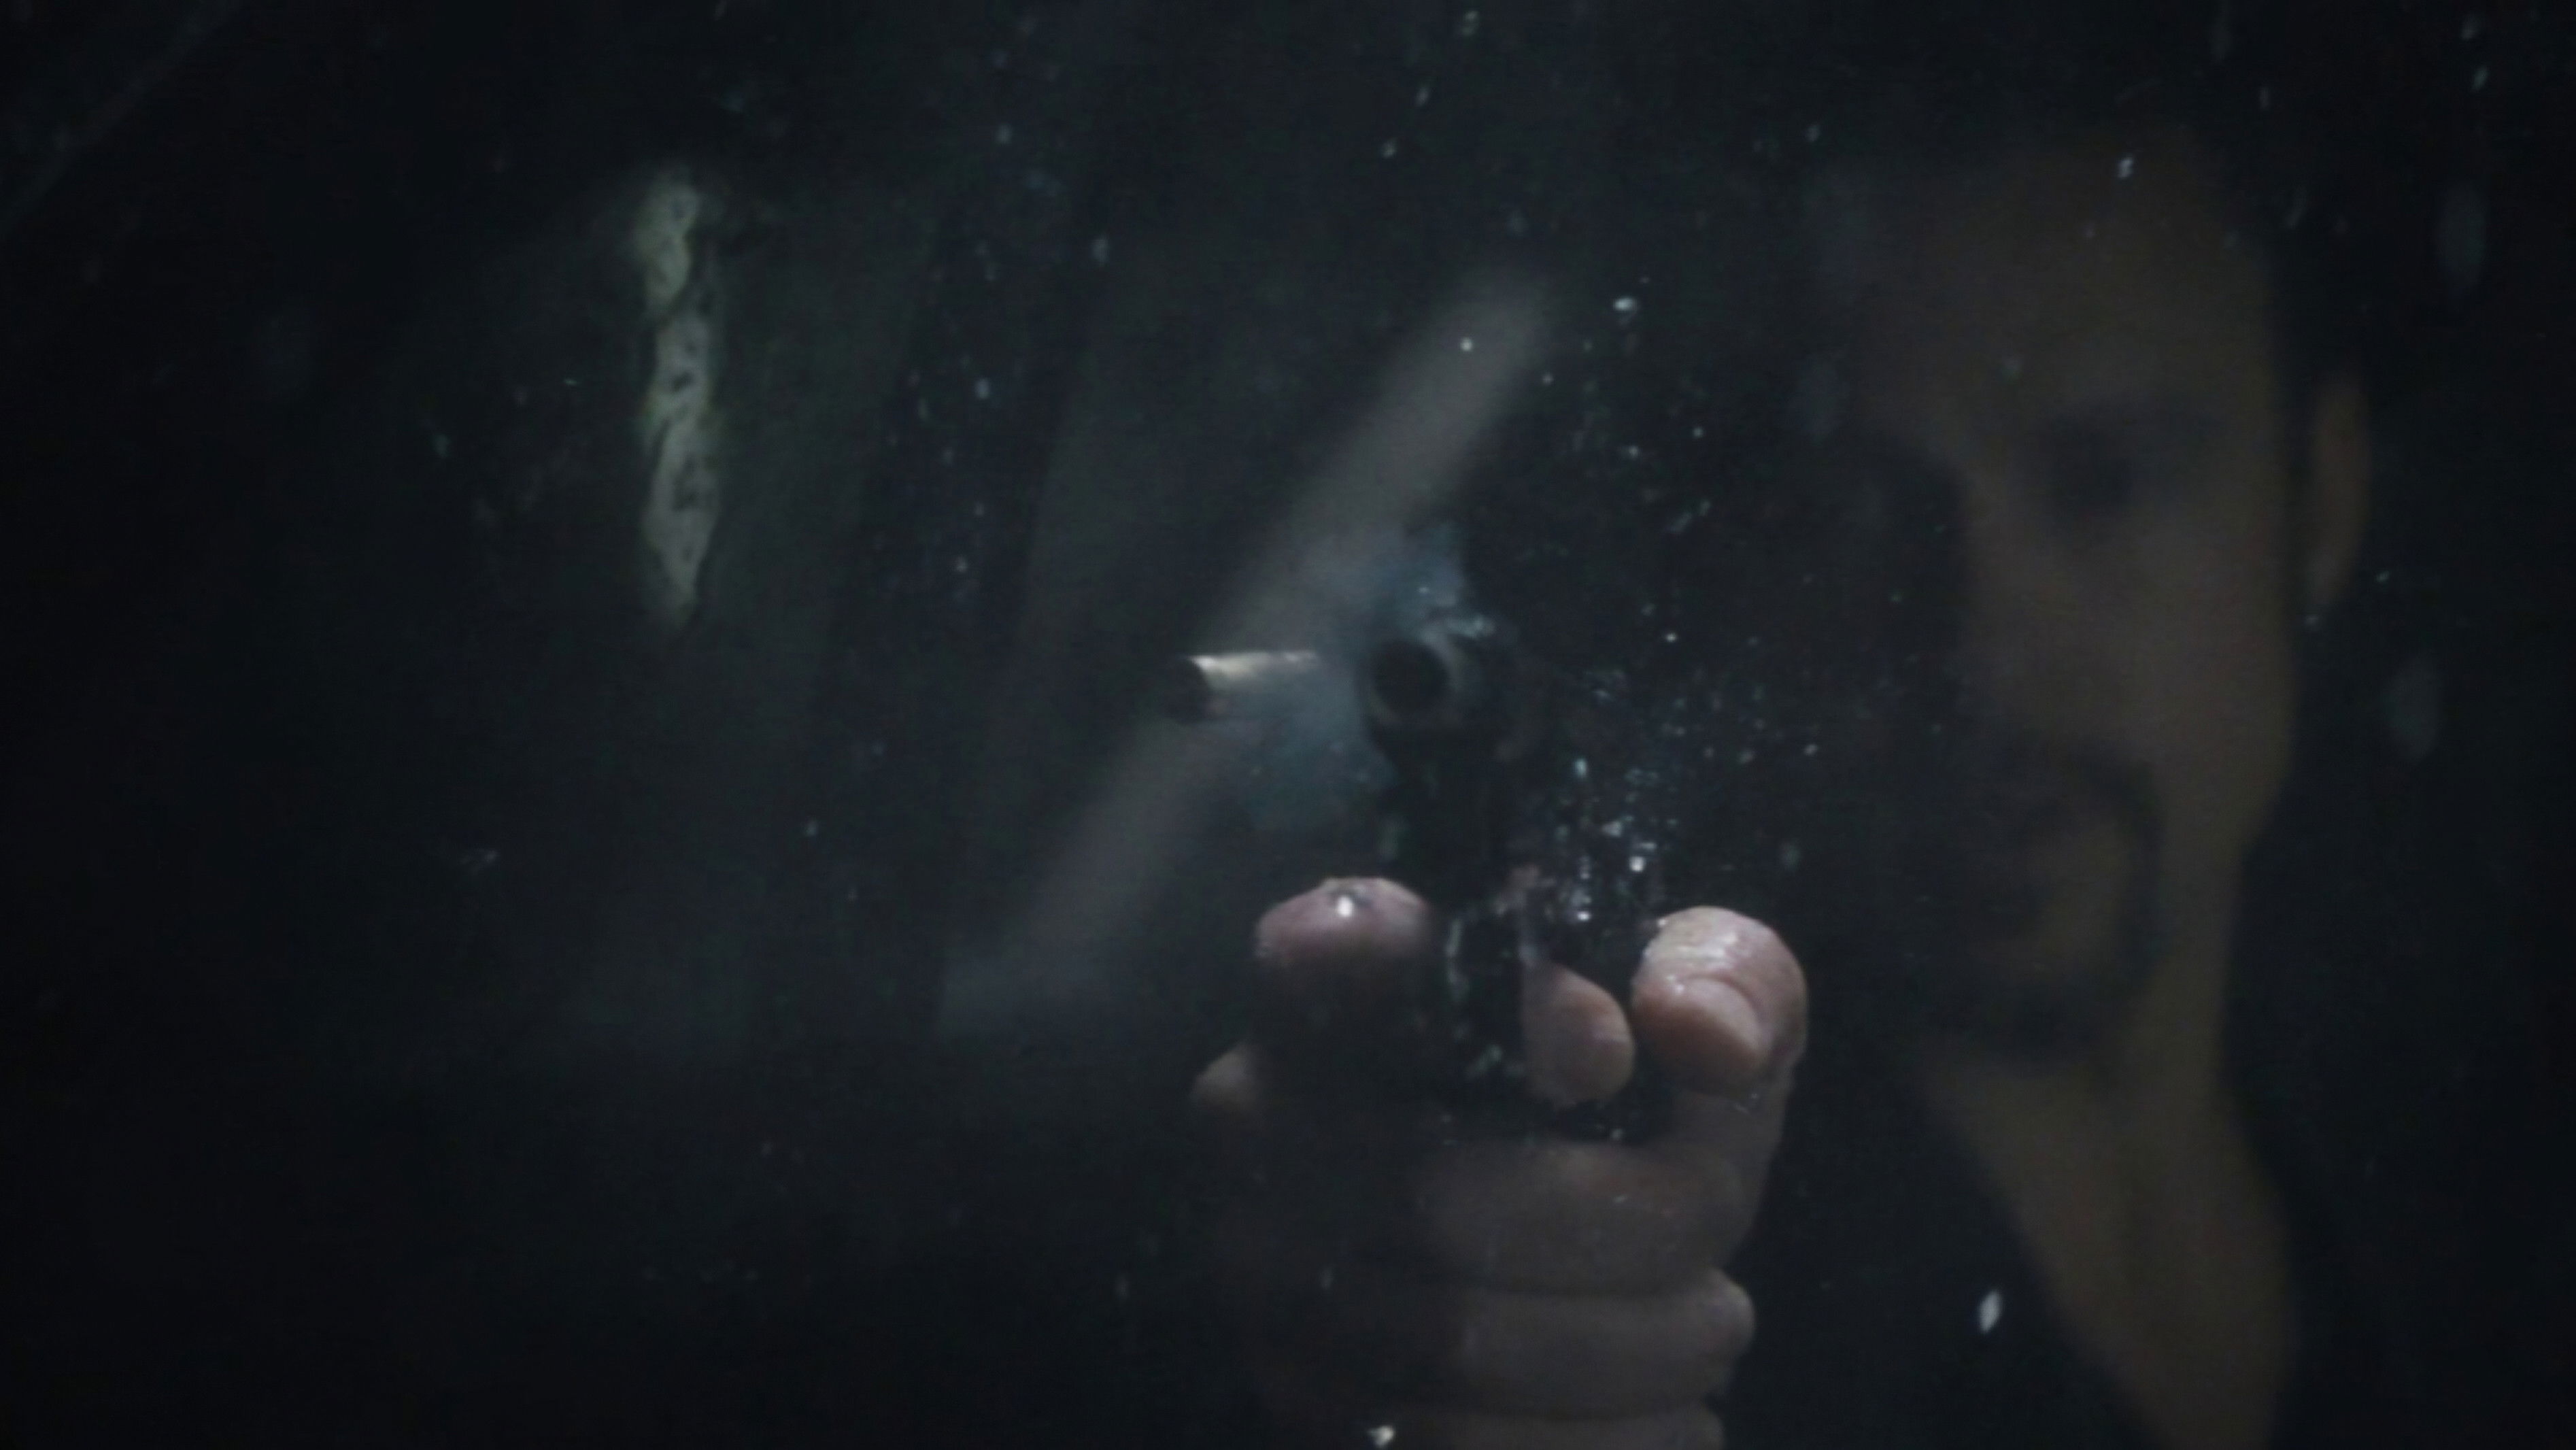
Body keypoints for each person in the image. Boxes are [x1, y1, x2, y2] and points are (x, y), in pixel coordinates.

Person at [1180, 21, 2456, 1449]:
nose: (1980, 645)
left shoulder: (2456, 1186)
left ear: (2324, 497)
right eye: (1861, 510)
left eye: (2105, 479)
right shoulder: (1682, 1222)